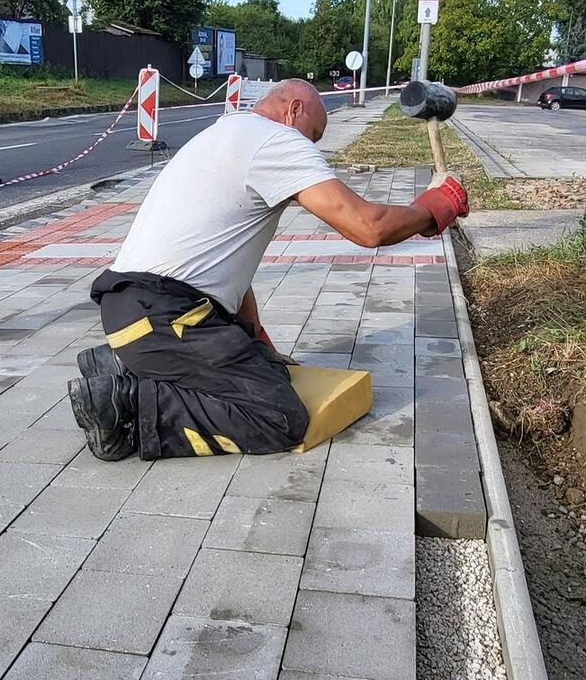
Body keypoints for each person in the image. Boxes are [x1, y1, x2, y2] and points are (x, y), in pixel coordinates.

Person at [68, 79, 469, 462]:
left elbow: (230, 276)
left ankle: (126, 363)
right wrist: (434, 207)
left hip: (135, 311)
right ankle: (125, 407)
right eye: (313, 135)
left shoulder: (223, 134)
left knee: (267, 370)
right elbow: (368, 227)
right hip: (163, 316)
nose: (312, 148)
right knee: (278, 415)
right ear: (294, 111)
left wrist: (258, 343)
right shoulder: (278, 141)